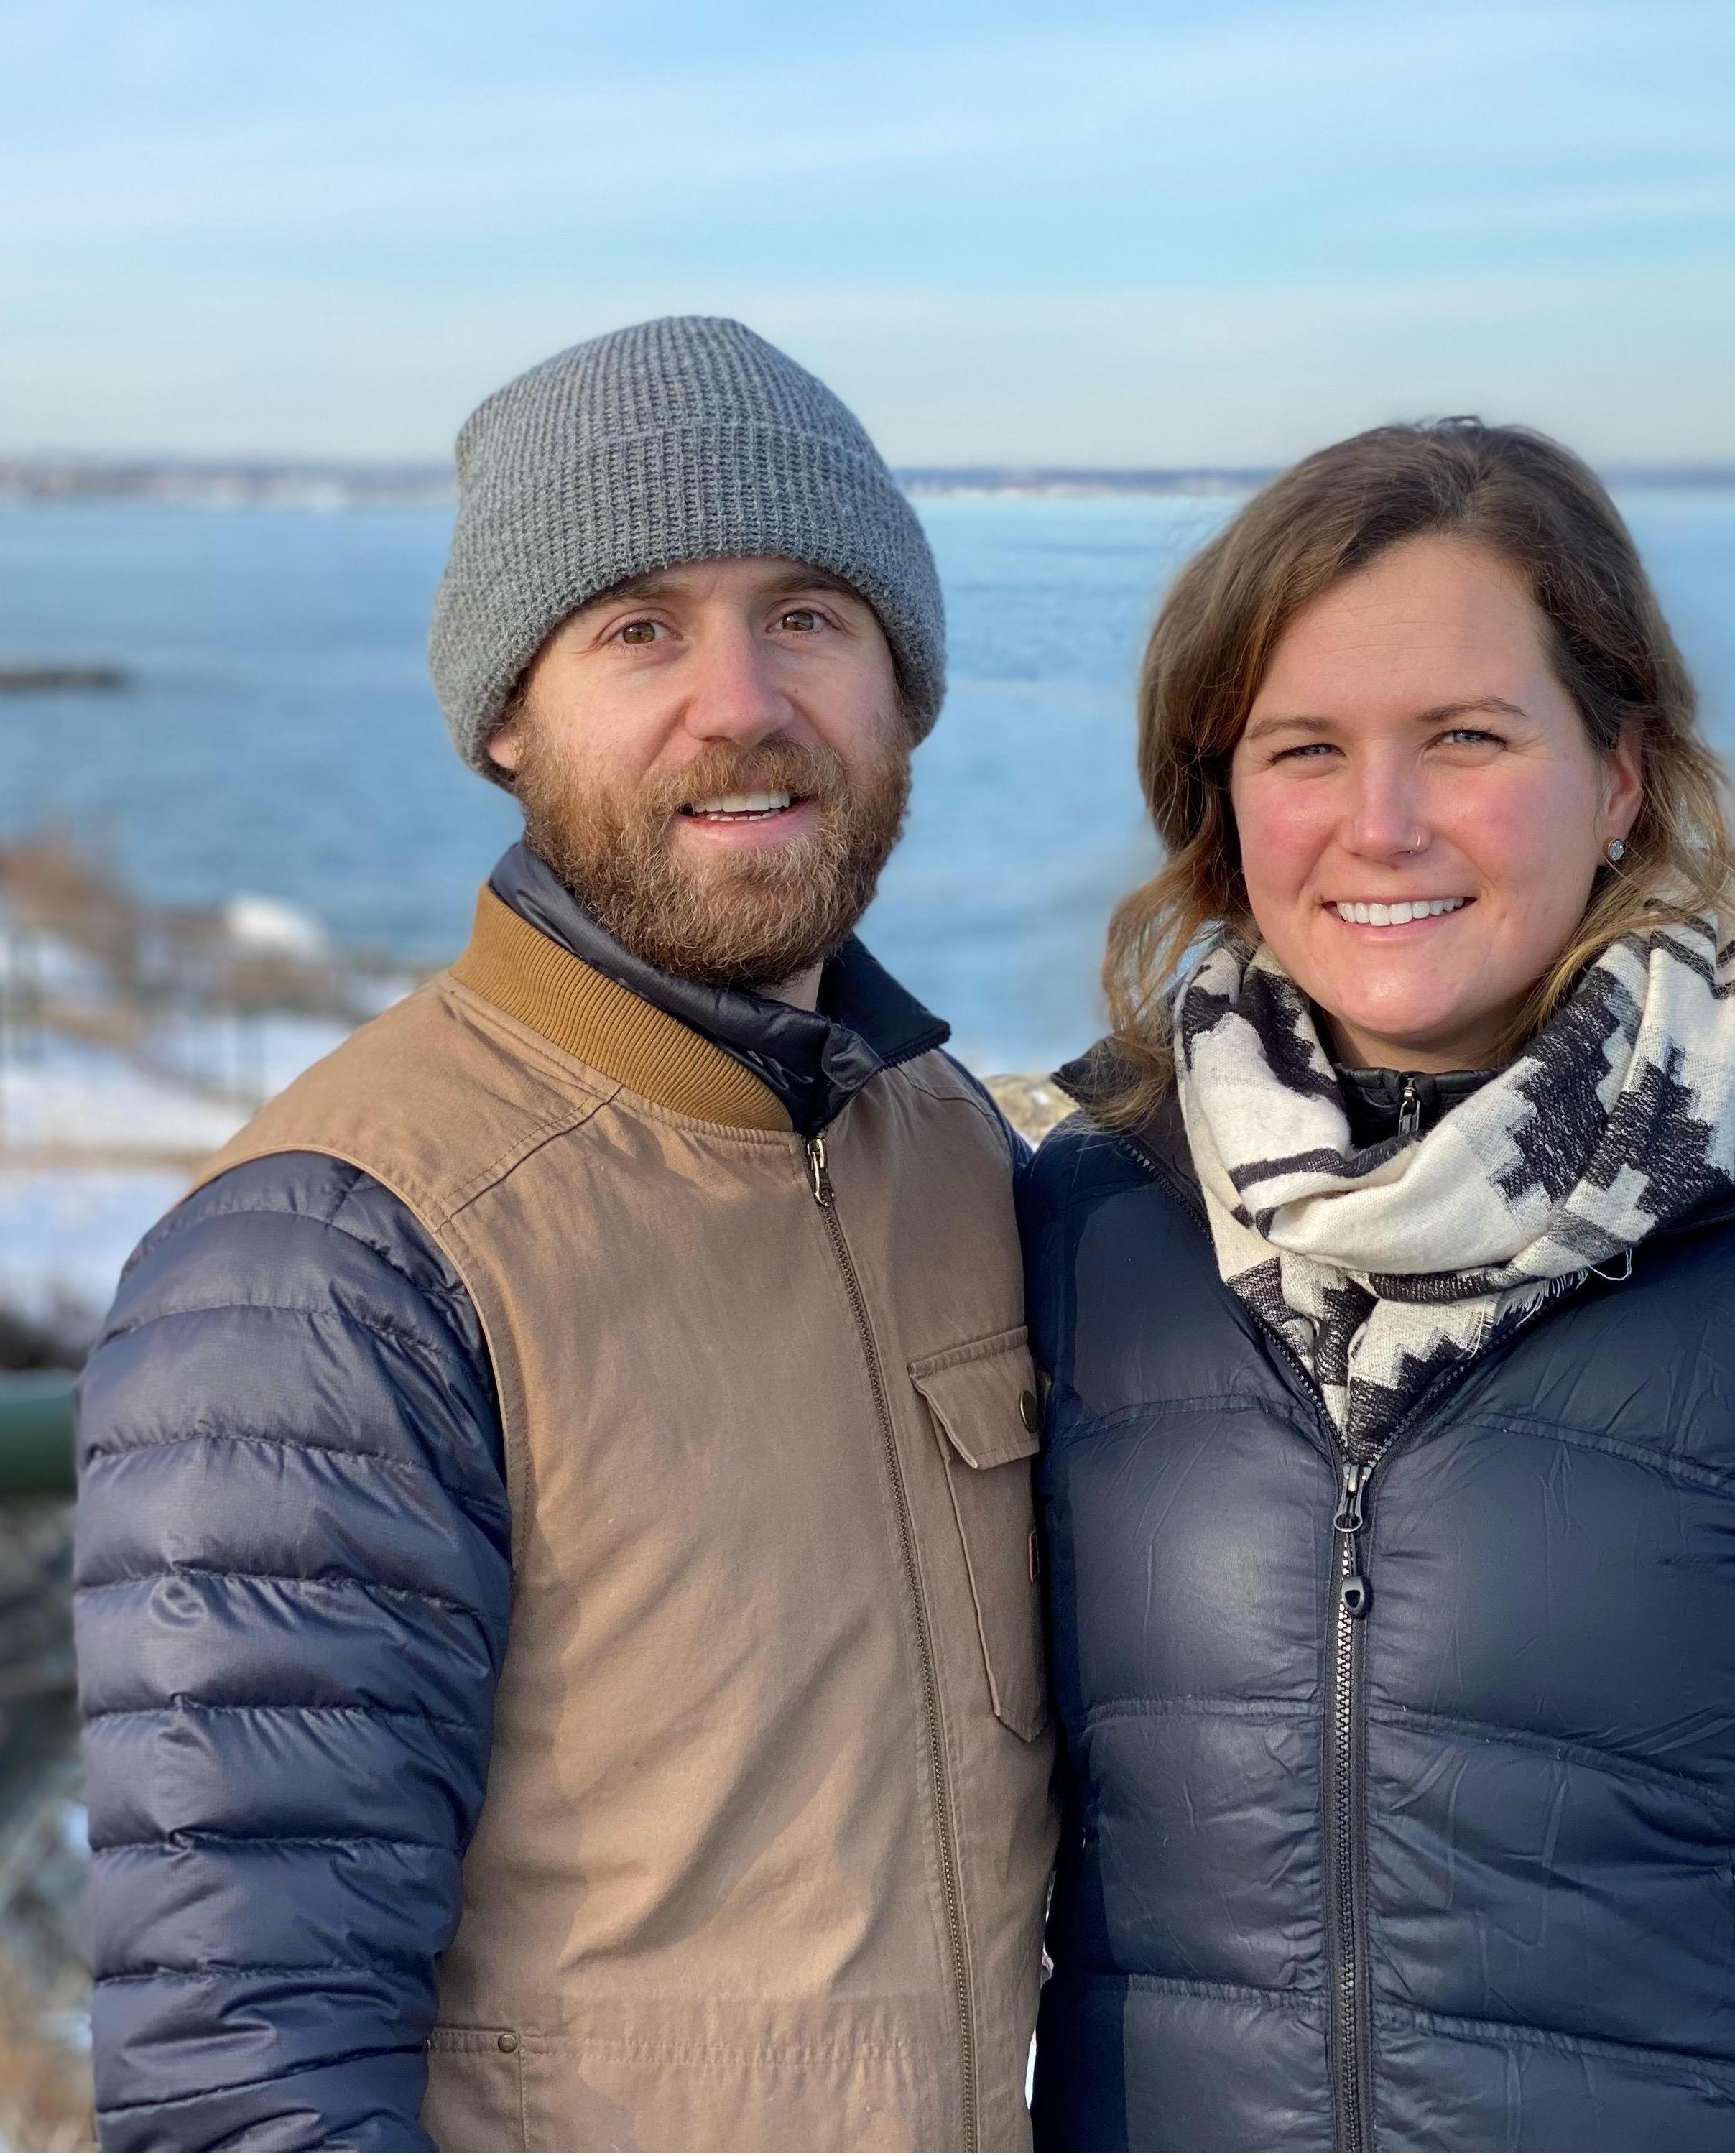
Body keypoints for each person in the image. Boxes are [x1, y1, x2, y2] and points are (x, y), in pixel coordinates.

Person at [1021, 420, 1735, 2150]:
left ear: (1618, 775)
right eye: (1303, 748)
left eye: (1466, 738)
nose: (1380, 824)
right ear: (1222, 801)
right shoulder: (1093, 1226)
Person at [74, 318, 1055, 2152]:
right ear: (506, 719)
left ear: (903, 687)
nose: (742, 702)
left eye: (808, 615)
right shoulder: (336, 1262)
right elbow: (243, 2072)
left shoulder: (950, 1155)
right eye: (638, 629)